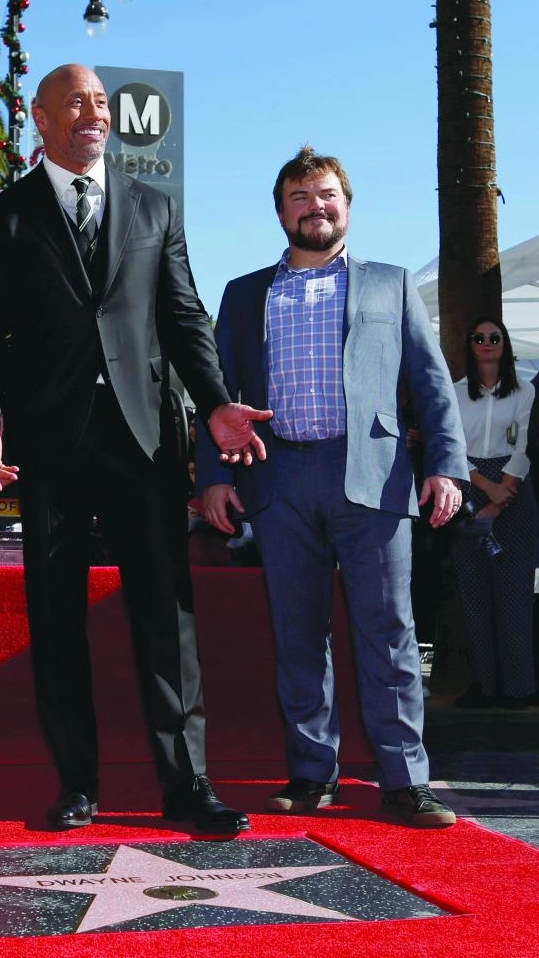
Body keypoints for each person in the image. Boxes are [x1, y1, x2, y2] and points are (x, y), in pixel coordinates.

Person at [0, 63, 268, 834]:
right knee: (56, 618)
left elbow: (184, 317)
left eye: (100, 101)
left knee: (167, 616)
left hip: (145, 441)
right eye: (76, 101)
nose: (94, 112)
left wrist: (216, 403)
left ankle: (188, 786)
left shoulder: (154, 207)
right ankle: (76, 785)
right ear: (40, 117)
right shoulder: (3, 219)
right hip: (50, 447)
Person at [197, 145, 469, 829]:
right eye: (300, 198)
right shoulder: (244, 293)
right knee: (297, 633)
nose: (315, 207)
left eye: (326, 196)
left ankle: (405, 782)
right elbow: (215, 394)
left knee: (389, 631)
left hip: (374, 477)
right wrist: (214, 478)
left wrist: (447, 466)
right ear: (280, 212)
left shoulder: (392, 284)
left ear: (346, 206)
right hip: (278, 477)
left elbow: (432, 384)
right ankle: (312, 773)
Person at [451, 317, 538, 707]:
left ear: (505, 344)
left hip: (514, 490)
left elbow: (523, 447)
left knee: (514, 596)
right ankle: (483, 687)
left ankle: (519, 689)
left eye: (494, 337)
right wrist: (487, 493)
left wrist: (501, 498)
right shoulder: (454, 393)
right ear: (470, 345)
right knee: (474, 597)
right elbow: (452, 447)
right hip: (468, 488)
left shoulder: (525, 391)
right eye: (479, 337)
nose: (486, 342)